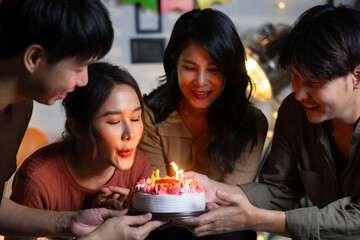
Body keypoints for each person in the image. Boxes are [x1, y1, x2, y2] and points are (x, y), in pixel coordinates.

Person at [180, 4, 360, 240]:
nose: (299, 94)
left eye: (313, 82)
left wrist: (255, 219)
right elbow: (279, 189)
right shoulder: (295, 112)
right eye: (295, 76)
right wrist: (215, 190)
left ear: (357, 75)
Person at [0, 0, 162, 238]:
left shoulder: (22, 104)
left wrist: (71, 222)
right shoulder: (39, 175)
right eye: (78, 67)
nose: (84, 81)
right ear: (34, 57)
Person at [138, 8, 268, 240]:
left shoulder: (250, 123)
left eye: (214, 70)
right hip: (163, 229)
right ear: (173, 62)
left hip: (224, 229)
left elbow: (231, 202)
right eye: (189, 68)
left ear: (229, 70)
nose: (201, 82)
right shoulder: (149, 116)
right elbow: (158, 203)